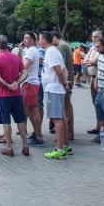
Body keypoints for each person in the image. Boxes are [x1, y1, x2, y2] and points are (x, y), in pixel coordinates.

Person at [0, 34, 29, 157]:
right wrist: (17, 83)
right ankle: (25, 146)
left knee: (6, 121)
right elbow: (24, 73)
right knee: (20, 120)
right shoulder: (15, 57)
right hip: (16, 94)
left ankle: (9, 147)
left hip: (3, 95)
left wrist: (7, 85)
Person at [42, 31, 71, 160]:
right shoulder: (54, 51)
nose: (39, 41)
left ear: (44, 40)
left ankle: (59, 149)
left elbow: (59, 71)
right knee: (61, 117)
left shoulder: (51, 52)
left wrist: (63, 83)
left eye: (40, 38)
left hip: (53, 88)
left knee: (56, 119)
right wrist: (64, 83)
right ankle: (65, 145)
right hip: (56, 88)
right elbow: (64, 69)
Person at [20, 32, 44, 146]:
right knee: (29, 109)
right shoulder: (30, 50)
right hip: (29, 83)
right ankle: (35, 134)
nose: (25, 40)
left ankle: (38, 135)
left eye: (27, 38)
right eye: (24, 38)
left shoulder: (31, 51)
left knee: (32, 110)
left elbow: (24, 67)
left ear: (34, 40)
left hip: (30, 83)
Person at [56, 33, 75, 141]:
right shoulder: (65, 45)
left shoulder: (62, 46)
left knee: (66, 105)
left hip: (66, 80)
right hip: (68, 78)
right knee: (66, 105)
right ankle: (68, 131)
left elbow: (60, 64)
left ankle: (68, 132)